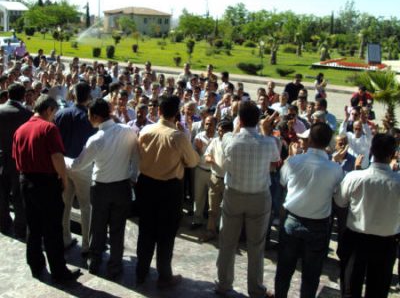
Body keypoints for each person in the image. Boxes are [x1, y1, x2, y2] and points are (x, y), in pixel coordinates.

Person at [65, 98, 139, 279]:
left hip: (101, 189)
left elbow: (77, 165)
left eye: (89, 115)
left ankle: (95, 262)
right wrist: (132, 176)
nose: (88, 118)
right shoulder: (128, 131)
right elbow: (136, 157)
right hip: (122, 187)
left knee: (97, 228)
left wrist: (63, 160)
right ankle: (115, 265)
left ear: (96, 116)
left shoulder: (96, 139)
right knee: (117, 229)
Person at [12, 94, 81, 282]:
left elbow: (16, 158)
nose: (54, 117)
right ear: (49, 109)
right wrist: (64, 179)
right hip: (46, 183)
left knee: (33, 227)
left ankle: (35, 265)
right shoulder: (49, 128)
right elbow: (57, 158)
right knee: (52, 229)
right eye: (54, 113)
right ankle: (59, 272)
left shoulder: (21, 129)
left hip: (26, 181)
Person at [215, 101, 280, 298]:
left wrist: (239, 128)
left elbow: (229, 140)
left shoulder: (229, 139)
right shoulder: (268, 142)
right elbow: (275, 158)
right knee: (256, 246)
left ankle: (224, 284)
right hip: (259, 197)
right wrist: (266, 131)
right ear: (258, 120)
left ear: (240, 120)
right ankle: (256, 289)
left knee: (227, 242)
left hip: (234, 195)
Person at [135, 95, 199, 288]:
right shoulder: (177, 136)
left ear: (159, 111)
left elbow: (139, 154)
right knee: (166, 234)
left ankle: (141, 272)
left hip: (146, 185)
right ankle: (164, 276)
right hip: (169, 189)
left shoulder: (146, 130)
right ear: (176, 113)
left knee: (146, 231)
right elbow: (192, 161)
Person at [274, 122, 343, 298]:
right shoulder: (336, 169)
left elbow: (282, 182)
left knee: (284, 270)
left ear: (310, 139)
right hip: (317, 225)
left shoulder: (294, 161)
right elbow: (338, 195)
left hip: (293, 219)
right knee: (311, 276)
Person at [334, 133, 400, 298]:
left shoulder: (354, 177)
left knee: (350, 289)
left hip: (357, 239)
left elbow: (340, 202)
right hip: (385, 242)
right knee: (377, 291)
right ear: (393, 154)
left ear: (371, 150)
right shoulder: (397, 182)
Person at [54, 81, 96, 255]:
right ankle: (86, 245)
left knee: (66, 203)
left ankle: (65, 238)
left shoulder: (61, 113)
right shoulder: (88, 117)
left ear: (73, 95)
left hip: (64, 163)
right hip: (82, 165)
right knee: (85, 206)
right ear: (89, 97)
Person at [0, 83, 32, 238]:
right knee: (18, 195)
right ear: (23, 96)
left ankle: (3, 223)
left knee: (2, 193)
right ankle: (20, 227)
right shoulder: (27, 114)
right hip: (18, 160)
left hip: (1, 158)